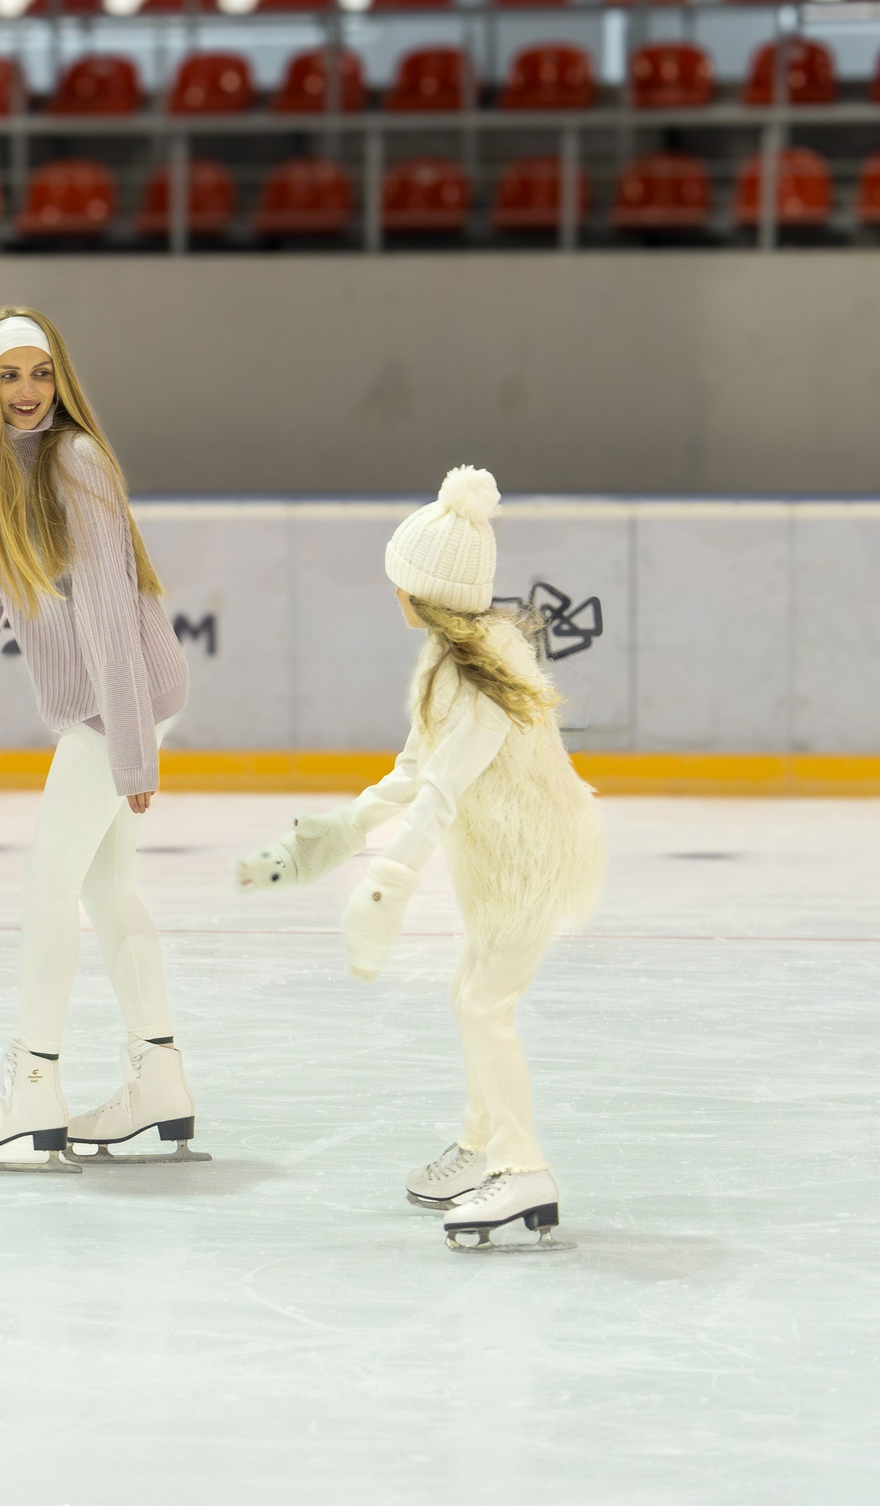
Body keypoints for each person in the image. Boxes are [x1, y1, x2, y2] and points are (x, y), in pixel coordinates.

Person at [235, 465, 605, 1250]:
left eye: (399, 582)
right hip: (500, 856)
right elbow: (413, 770)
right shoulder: (452, 658)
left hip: (528, 857)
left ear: (424, 591)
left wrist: (387, 885)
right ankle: (482, 1149)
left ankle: (523, 1170)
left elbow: (439, 794)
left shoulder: (482, 682)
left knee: (483, 1006)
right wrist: (337, 833)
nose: (392, 593)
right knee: (471, 995)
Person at [0, 306, 194, 1174]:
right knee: (109, 892)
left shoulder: (77, 462)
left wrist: (132, 750)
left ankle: (34, 1092)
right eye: (9, 376)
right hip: (108, 708)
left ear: (61, 376)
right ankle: (161, 1086)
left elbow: (111, 611)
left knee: (49, 887)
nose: (28, 392)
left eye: (40, 373)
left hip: (125, 701)